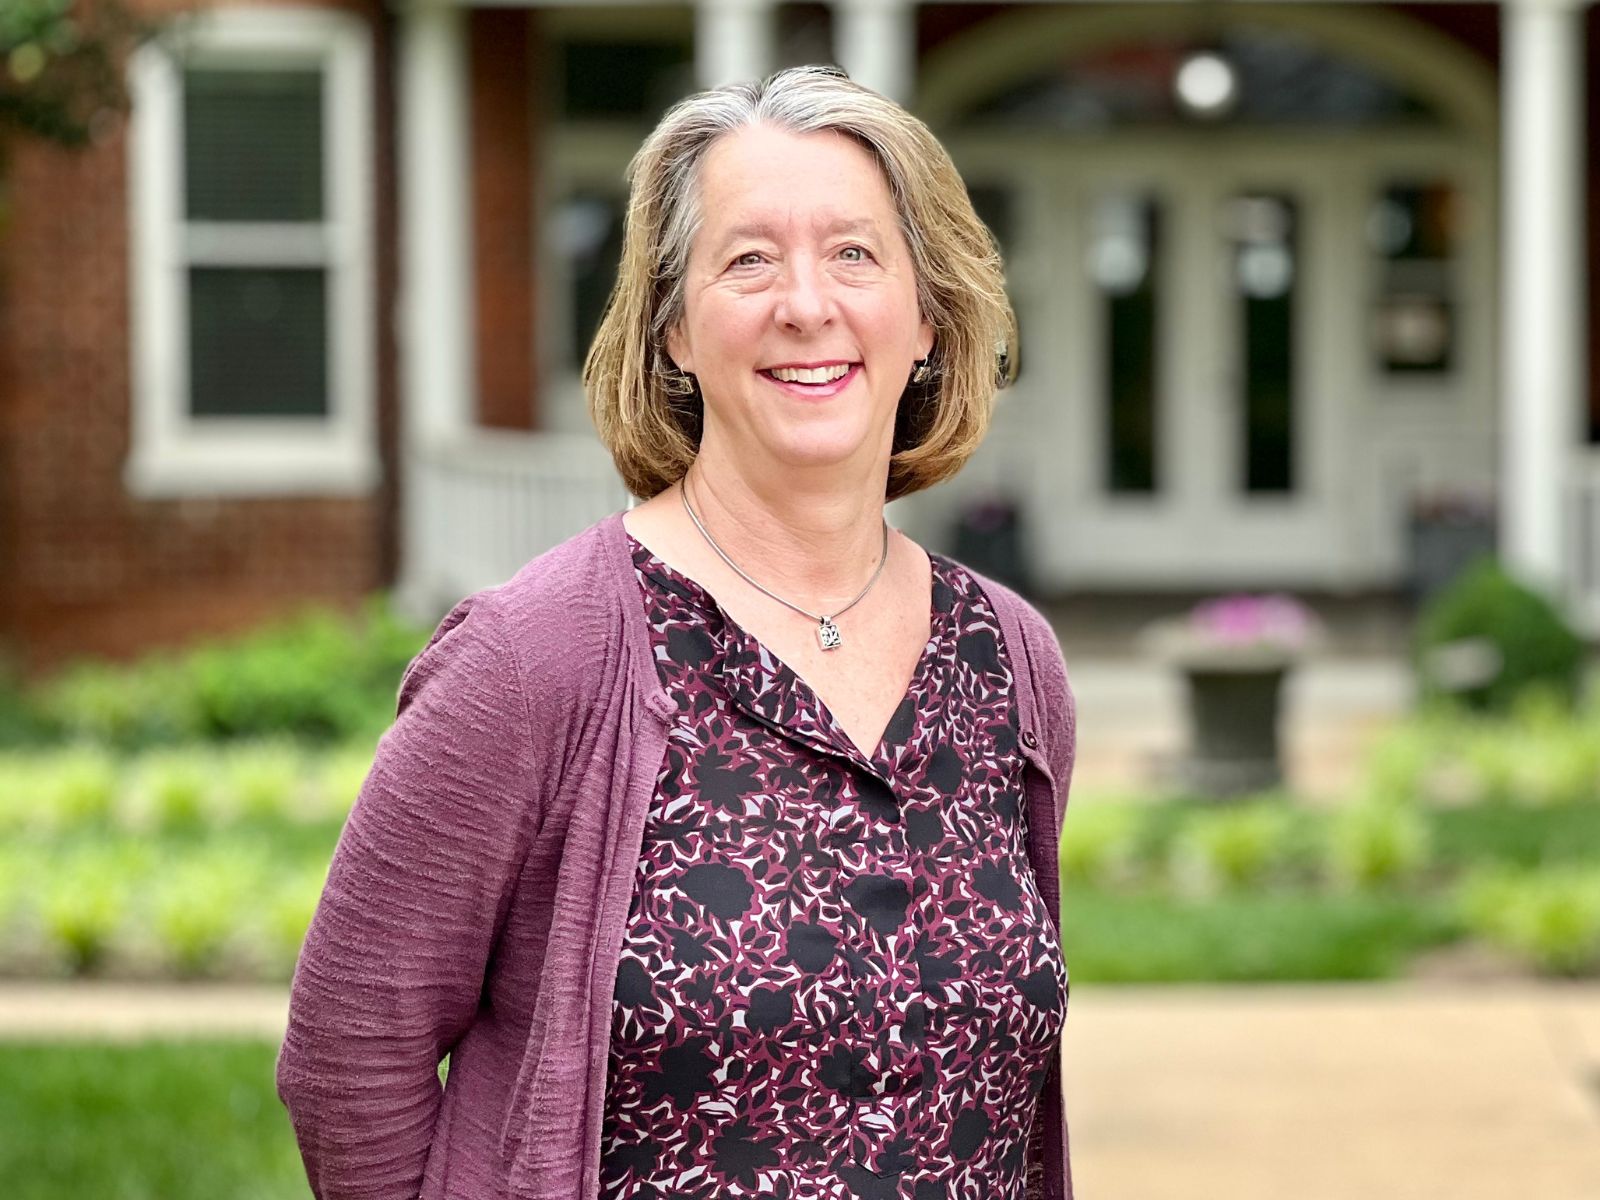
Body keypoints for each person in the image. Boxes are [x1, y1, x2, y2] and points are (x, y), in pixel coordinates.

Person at [276, 64, 1079, 1200]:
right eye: (748, 259)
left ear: (929, 321)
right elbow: (348, 1059)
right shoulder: (532, 659)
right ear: (671, 334)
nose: (807, 303)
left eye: (855, 253)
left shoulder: (1010, 662)